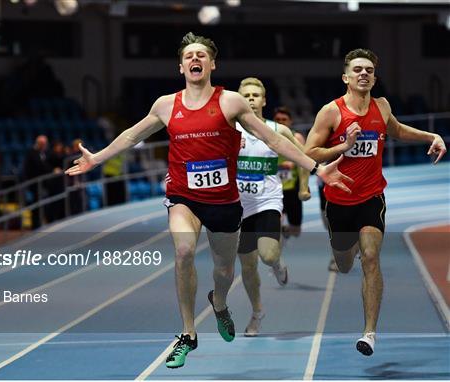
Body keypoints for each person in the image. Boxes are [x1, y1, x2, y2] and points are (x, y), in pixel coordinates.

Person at [66, 32, 351, 368]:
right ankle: (188, 334)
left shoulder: (231, 101)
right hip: (183, 196)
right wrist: (95, 159)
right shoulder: (165, 105)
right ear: (181, 66)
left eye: (201, 55)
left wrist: (316, 168)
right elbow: (132, 135)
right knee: (184, 250)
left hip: (224, 201)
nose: (195, 59)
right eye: (189, 55)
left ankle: (219, 302)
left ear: (212, 63)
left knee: (223, 270)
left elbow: (273, 139)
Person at [304, 48, 447, 356]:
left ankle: (369, 332)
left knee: (370, 257)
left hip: (371, 197)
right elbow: (309, 152)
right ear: (346, 77)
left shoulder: (381, 106)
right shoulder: (331, 112)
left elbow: (396, 130)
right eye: (357, 70)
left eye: (368, 70)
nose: (364, 74)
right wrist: (345, 145)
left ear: (375, 77)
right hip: (338, 200)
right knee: (344, 264)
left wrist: (430, 136)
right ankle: (345, 248)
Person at [235, 78, 310, 337]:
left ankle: (277, 264)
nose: (252, 99)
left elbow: (304, 159)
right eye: (247, 95)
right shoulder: (228, 130)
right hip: (237, 207)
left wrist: (303, 188)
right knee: (247, 266)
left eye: (257, 95)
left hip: (268, 201)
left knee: (267, 255)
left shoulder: (279, 130)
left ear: (264, 100)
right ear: (239, 99)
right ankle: (257, 313)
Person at [274, 106, 310, 238]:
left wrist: (304, 187)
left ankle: (286, 230)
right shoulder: (267, 136)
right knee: (275, 224)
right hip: (274, 189)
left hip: (293, 188)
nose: (281, 122)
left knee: (296, 231)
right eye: (278, 119)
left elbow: (306, 160)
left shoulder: (297, 137)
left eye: (284, 119)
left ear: (290, 121)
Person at [22, 135, 53, 229]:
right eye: (43, 144)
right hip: (35, 184)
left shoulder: (44, 153)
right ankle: (35, 226)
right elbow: (37, 167)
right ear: (38, 144)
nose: (45, 145)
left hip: (43, 184)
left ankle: (43, 224)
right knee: (36, 206)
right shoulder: (32, 153)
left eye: (45, 143)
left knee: (45, 205)